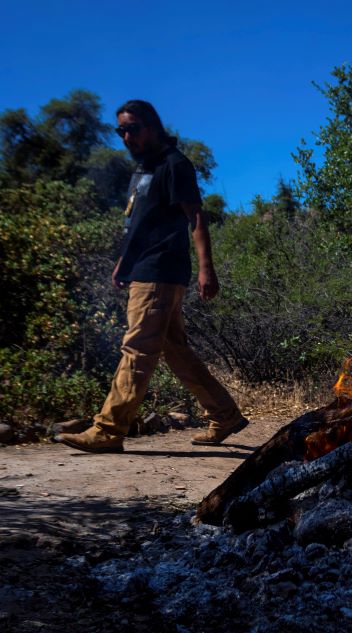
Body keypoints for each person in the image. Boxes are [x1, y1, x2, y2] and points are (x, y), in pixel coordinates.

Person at [55, 100, 248, 454]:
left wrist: (207, 268)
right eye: (121, 131)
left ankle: (108, 430)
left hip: (161, 271)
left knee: (138, 348)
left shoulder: (174, 165)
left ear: (153, 127)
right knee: (174, 349)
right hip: (144, 266)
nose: (126, 136)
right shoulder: (145, 169)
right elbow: (140, 226)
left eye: (132, 128)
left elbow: (196, 219)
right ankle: (225, 415)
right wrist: (123, 263)